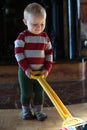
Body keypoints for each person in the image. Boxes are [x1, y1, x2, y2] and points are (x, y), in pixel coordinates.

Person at [14, 2, 53, 121]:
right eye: (35, 24)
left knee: (40, 93)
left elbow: (49, 53)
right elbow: (18, 53)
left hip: (41, 72)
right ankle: (26, 110)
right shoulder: (22, 37)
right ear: (25, 22)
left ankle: (38, 111)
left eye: (42, 24)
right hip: (26, 72)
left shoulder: (45, 37)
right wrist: (26, 68)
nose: (39, 27)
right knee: (26, 92)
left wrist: (47, 68)